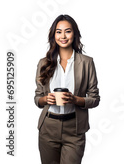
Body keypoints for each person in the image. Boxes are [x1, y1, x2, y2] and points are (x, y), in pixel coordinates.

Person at [34, 14, 100, 164]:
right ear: (53, 35)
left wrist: (76, 100)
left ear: (74, 34)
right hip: (48, 127)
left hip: (75, 129)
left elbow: (95, 98)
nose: (63, 36)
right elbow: (37, 98)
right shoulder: (43, 63)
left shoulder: (87, 63)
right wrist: (45, 99)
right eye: (58, 31)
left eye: (68, 31)